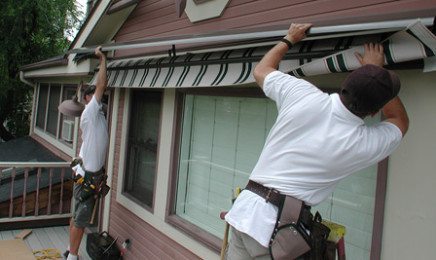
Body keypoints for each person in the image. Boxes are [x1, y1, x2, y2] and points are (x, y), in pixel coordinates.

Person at [224, 23, 409, 259]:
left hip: (244, 213)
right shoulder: (360, 143)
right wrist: (376, 72)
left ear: (345, 85)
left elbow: (261, 70)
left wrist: (290, 38)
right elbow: (399, 121)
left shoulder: (302, 95)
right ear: (374, 113)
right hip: (273, 233)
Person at [64, 46, 109, 260]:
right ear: (88, 97)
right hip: (88, 177)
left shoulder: (98, 115)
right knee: (81, 221)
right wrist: (102, 59)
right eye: (94, 93)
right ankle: (72, 256)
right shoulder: (90, 111)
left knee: (77, 217)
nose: (100, 95)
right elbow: (101, 83)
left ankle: (70, 251)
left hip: (89, 174)